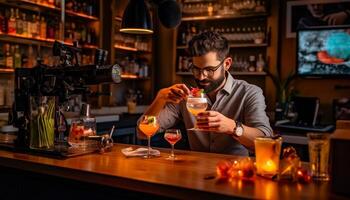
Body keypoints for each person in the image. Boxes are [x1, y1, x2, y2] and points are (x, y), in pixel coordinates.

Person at [137, 31, 273, 156]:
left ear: (227, 64)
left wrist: (232, 127)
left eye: (209, 69)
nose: (201, 77)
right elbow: (143, 132)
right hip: (195, 176)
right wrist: (160, 99)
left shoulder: (249, 93)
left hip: (234, 174)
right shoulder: (186, 96)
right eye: (196, 69)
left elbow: (266, 141)